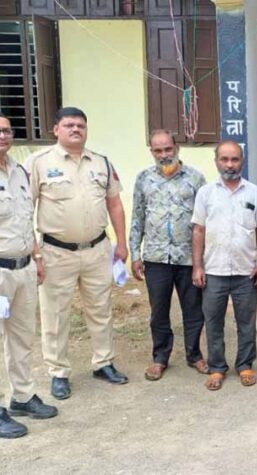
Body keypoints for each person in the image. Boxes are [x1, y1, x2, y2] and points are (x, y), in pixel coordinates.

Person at [25, 107, 129, 400]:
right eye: (69, 125)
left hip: (97, 249)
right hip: (56, 252)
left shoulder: (101, 162)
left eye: (80, 125)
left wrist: (121, 243)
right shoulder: (38, 163)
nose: (75, 130)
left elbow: (115, 205)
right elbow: (25, 209)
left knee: (101, 309)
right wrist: (35, 253)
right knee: (55, 314)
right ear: (56, 129)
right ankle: (58, 372)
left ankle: (103, 362)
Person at [130, 130, 208, 381]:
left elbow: (205, 221)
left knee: (193, 309)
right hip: (156, 257)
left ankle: (194, 355)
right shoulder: (143, 179)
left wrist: (203, 259)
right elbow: (137, 217)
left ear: (177, 148)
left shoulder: (195, 178)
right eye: (158, 150)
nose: (164, 155)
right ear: (151, 151)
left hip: (189, 258)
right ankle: (160, 357)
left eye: (168, 149)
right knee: (159, 311)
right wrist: (135, 254)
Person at [191, 141, 257, 391]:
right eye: (224, 159)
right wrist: (197, 266)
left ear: (242, 161)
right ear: (216, 161)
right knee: (213, 321)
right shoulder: (206, 193)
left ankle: (245, 364)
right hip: (214, 271)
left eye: (234, 159)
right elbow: (198, 229)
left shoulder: (254, 192)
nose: (229, 165)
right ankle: (217, 367)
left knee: (246, 321)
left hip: (246, 271)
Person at [0, 116, 57, 438]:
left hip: (22, 268)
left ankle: (22, 397)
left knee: (21, 337)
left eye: (6, 130)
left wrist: (36, 257)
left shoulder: (20, 171)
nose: (3, 135)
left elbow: (25, 221)